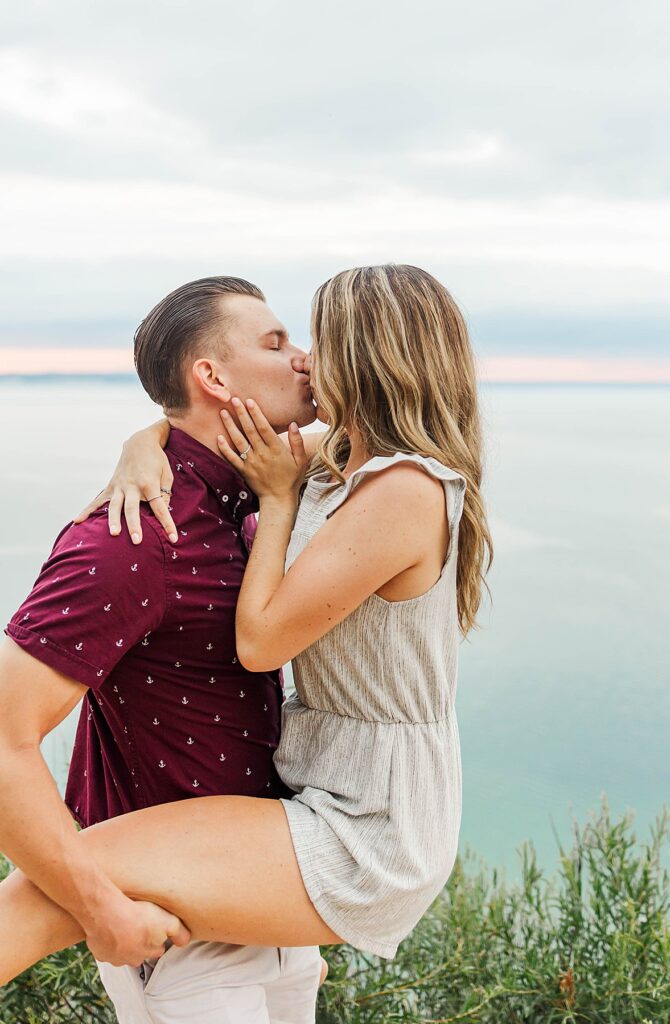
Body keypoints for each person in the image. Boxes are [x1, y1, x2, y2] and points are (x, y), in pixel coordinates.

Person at [0, 264, 493, 990]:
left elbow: (261, 639)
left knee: (40, 901)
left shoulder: (397, 490)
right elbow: (202, 427)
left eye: (314, 341)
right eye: (284, 343)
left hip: (366, 819)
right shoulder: (326, 475)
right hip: (307, 799)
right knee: (51, 896)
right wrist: (149, 441)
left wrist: (257, 488)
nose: (303, 359)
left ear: (364, 356)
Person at [0, 276, 326, 1023]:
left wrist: (146, 436)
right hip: (175, 930)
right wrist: (100, 909)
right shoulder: (136, 536)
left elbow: (388, 424)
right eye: (276, 344)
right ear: (211, 377)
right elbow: (2, 736)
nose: (304, 360)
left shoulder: (252, 494)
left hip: (264, 902)